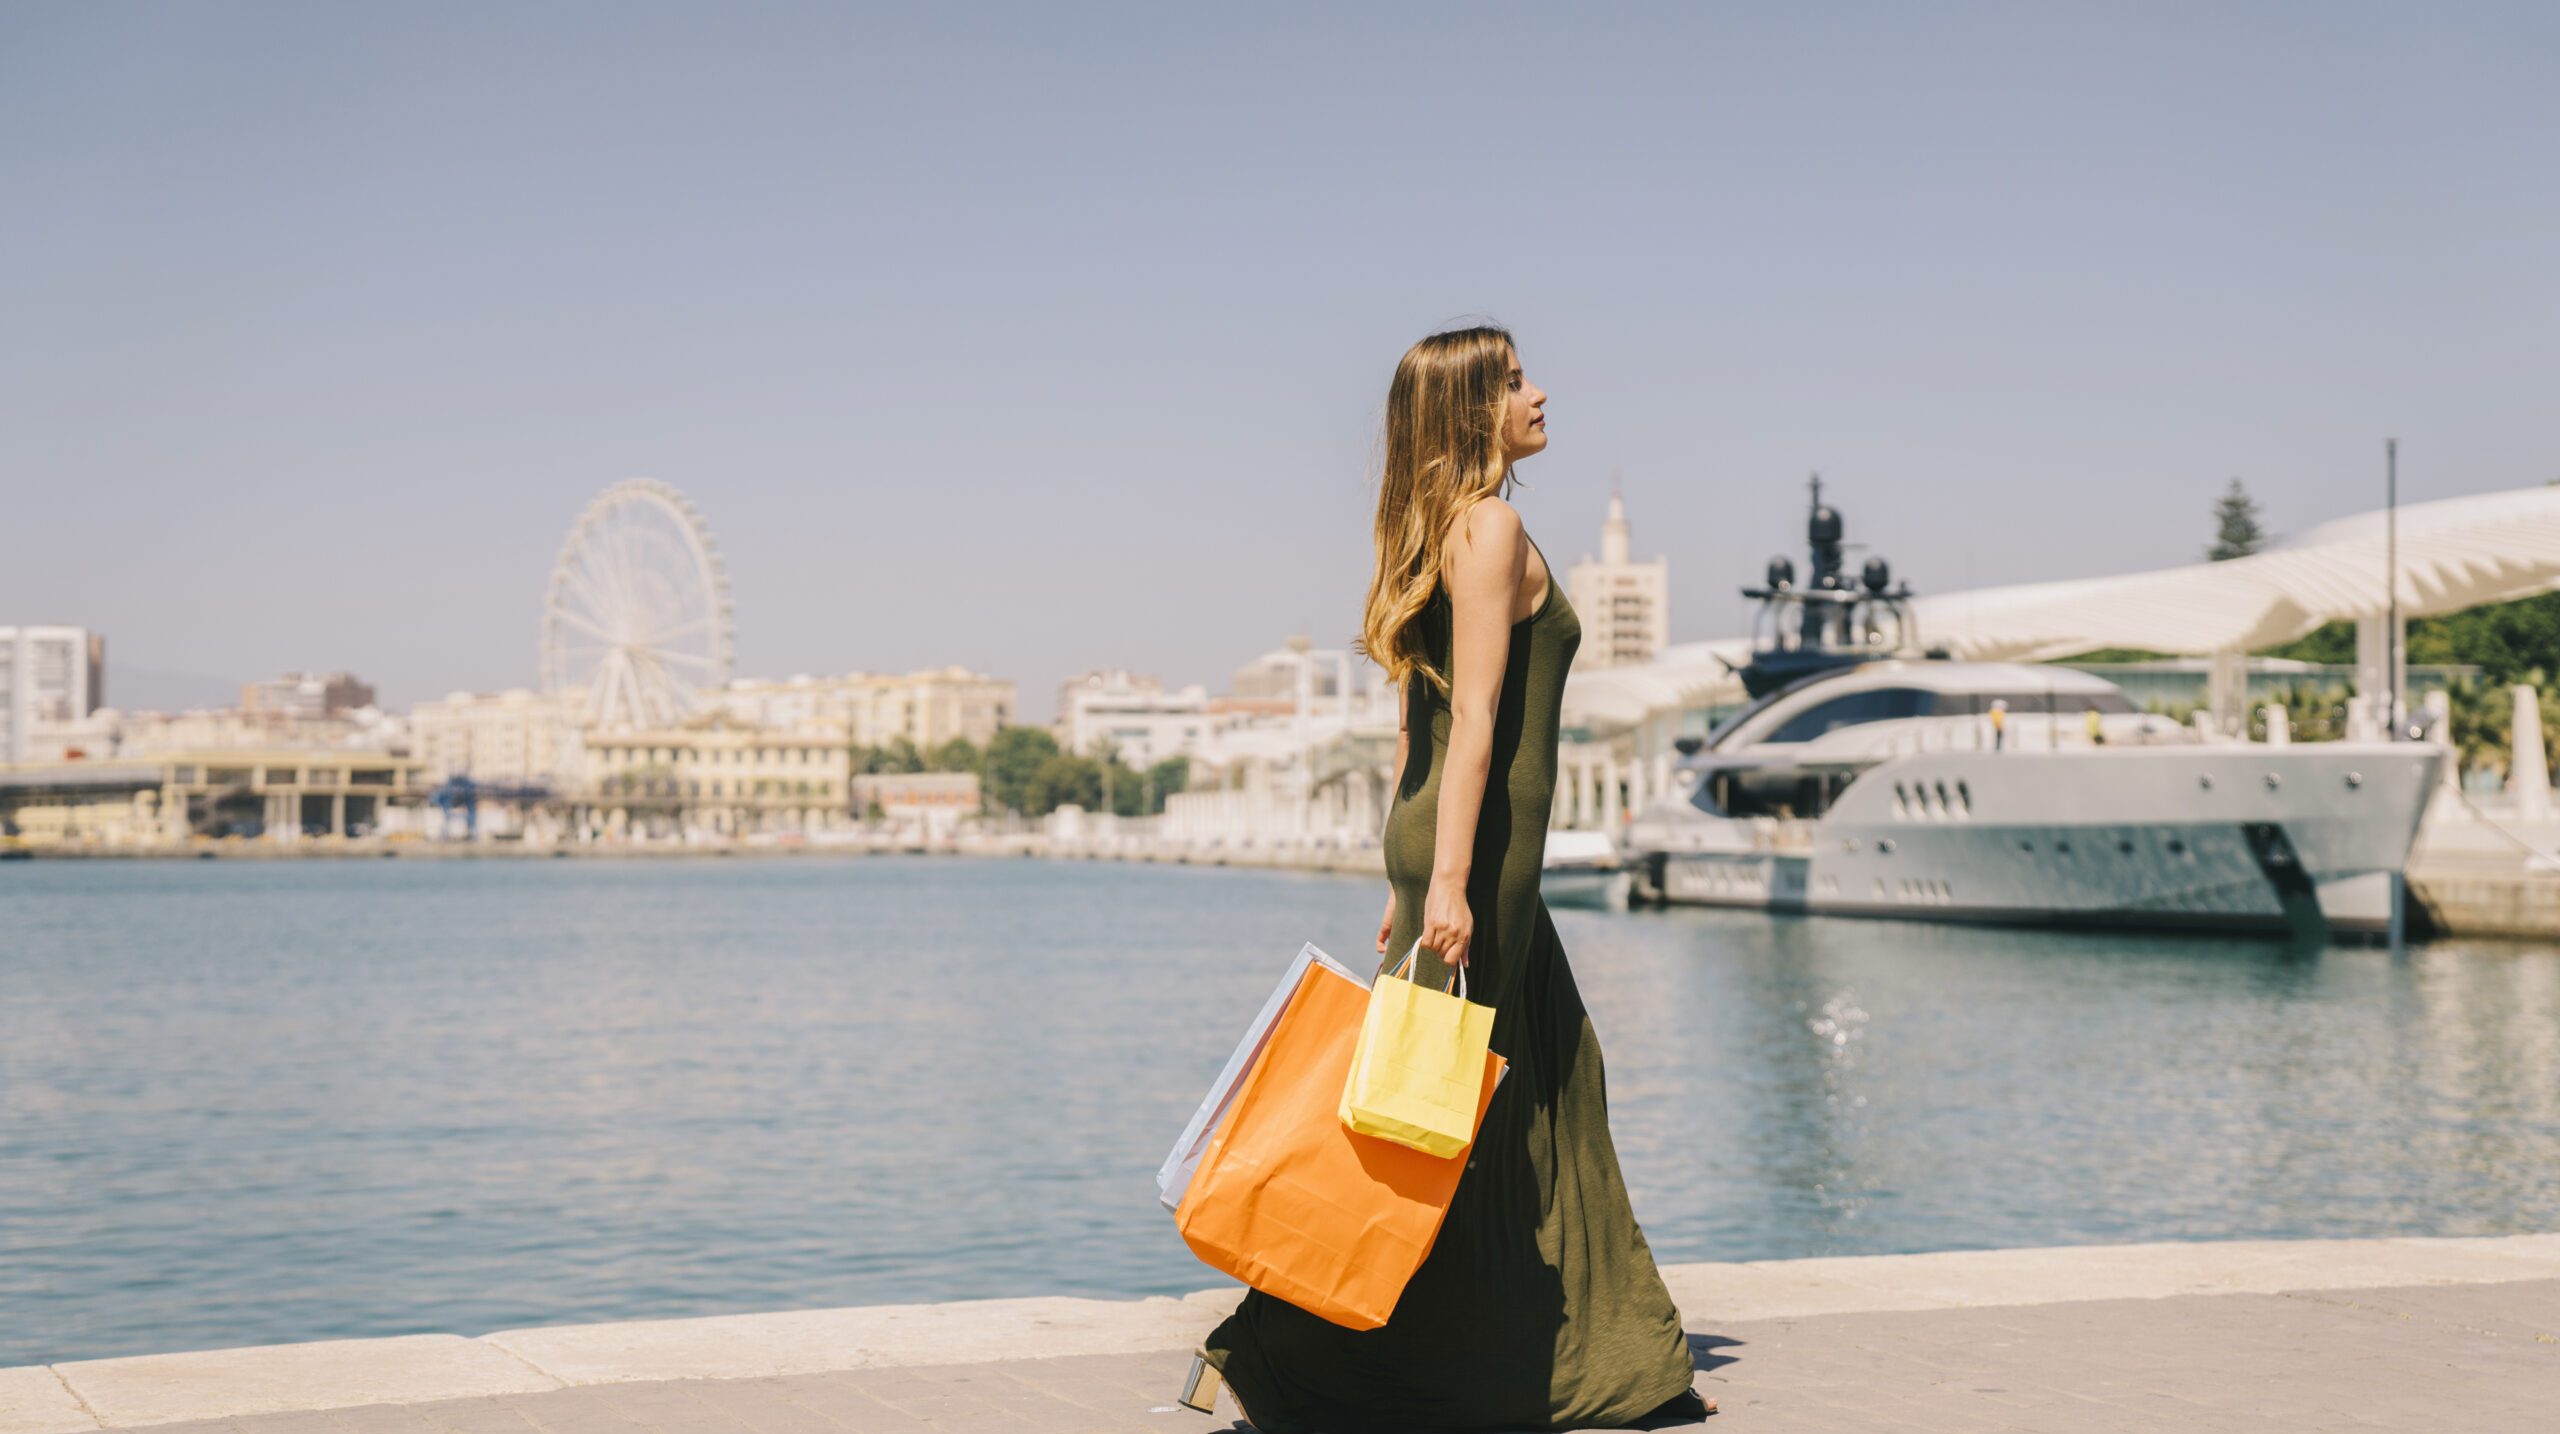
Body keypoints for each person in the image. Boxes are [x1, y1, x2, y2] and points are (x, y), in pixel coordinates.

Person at [1183, 325, 1712, 1431]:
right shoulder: (1490, 527)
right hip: (1483, 855)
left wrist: (1411, 874)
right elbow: (1468, 720)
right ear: (1471, 411)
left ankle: (1585, 1348)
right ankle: (1281, 1353)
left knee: (1534, 1075)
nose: (1538, 392)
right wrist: (1449, 882)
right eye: (1514, 381)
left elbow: (1409, 729)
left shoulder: (1431, 533)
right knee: (1432, 1112)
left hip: (1451, 848)